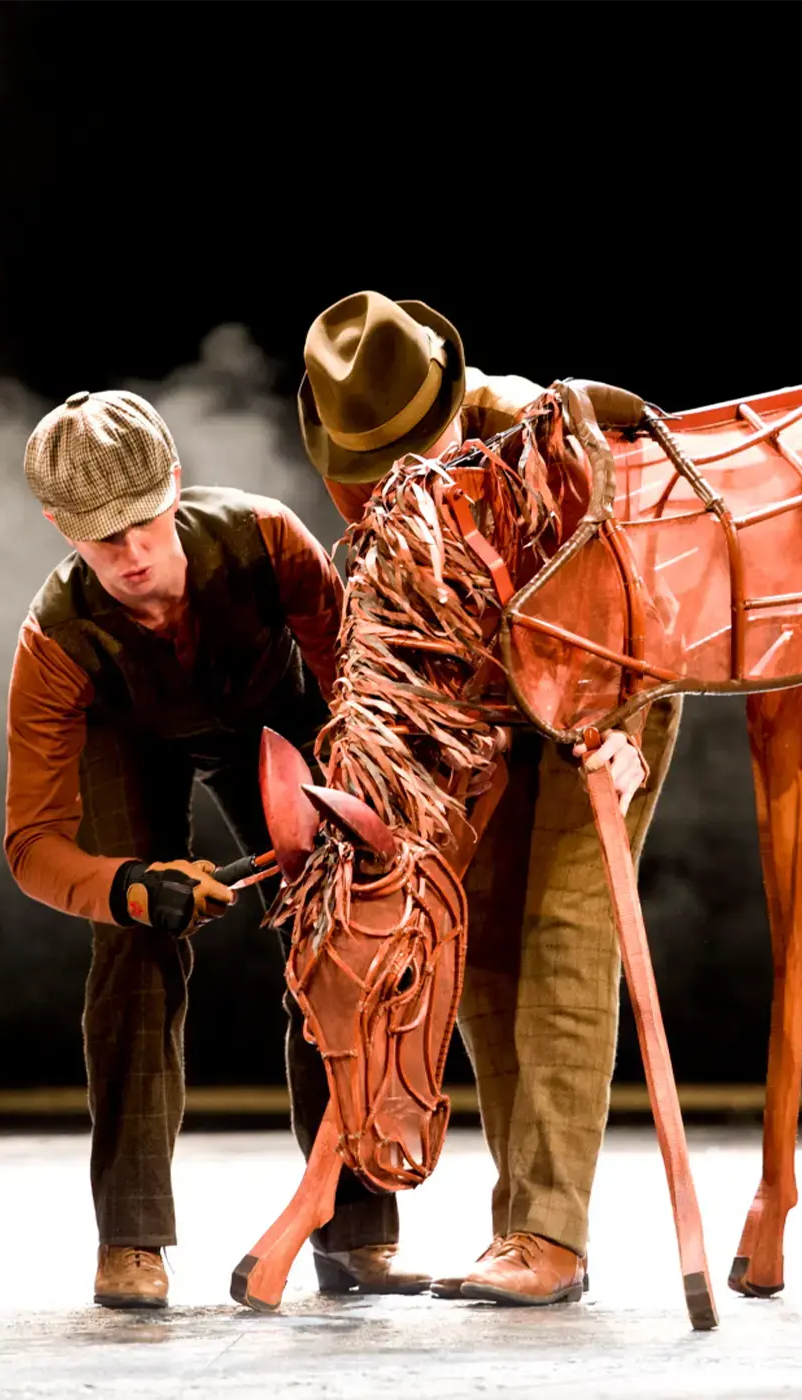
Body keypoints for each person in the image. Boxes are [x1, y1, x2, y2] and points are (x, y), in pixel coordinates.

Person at [296, 290, 681, 1305]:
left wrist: (620, 730)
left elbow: (646, 568)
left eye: (415, 449)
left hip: (605, 676)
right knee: (477, 936)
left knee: (566, 921)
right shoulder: (359, 473)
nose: (399, 476)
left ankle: (551, 1232)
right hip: (480, 700)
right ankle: (520, 1229)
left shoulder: (545, 433)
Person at [5, 389, 429, 1307]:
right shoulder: (55, 643)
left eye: (144, 523)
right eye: (100, 538)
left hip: (278, 718)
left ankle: (354, 1233)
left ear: (175, 483)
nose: (131, 555)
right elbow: (31, 846)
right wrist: (130, 887)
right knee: (133, 948)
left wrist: (360, 801)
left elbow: (359, 689)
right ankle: (130, 1240)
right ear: (59, 527)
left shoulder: (267, 540)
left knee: (336, 939)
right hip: (128, 739)